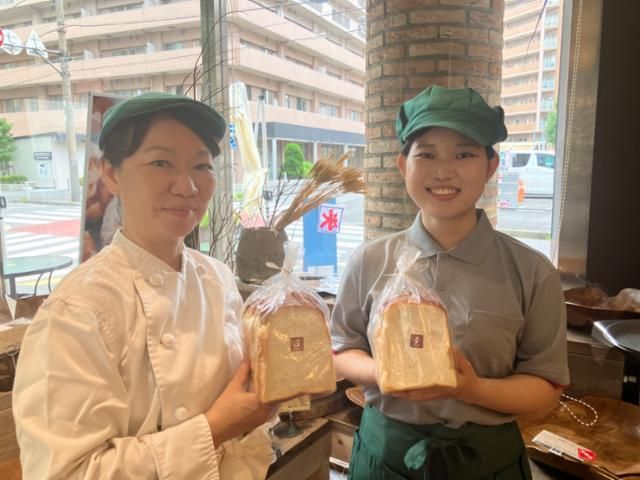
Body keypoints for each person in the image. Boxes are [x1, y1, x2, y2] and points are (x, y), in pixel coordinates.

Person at [13, 92, 276, 479]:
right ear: (111, 174)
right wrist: (215, 429)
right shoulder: (76, 312)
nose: (187, 186)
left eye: (202, 166)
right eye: (160, 162)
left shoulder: (217, 279)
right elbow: (66, 472)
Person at [330, 86, 569, 480]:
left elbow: (546, 387)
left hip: (488, 464)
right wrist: (384, 373)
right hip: (385, 458)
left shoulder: (531, 271)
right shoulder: (369, 261)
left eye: (464, 154)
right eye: (426, 154)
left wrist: (471, 389)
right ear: (403, 165)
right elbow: (343, 349)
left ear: (490, 166)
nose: (443, 171)